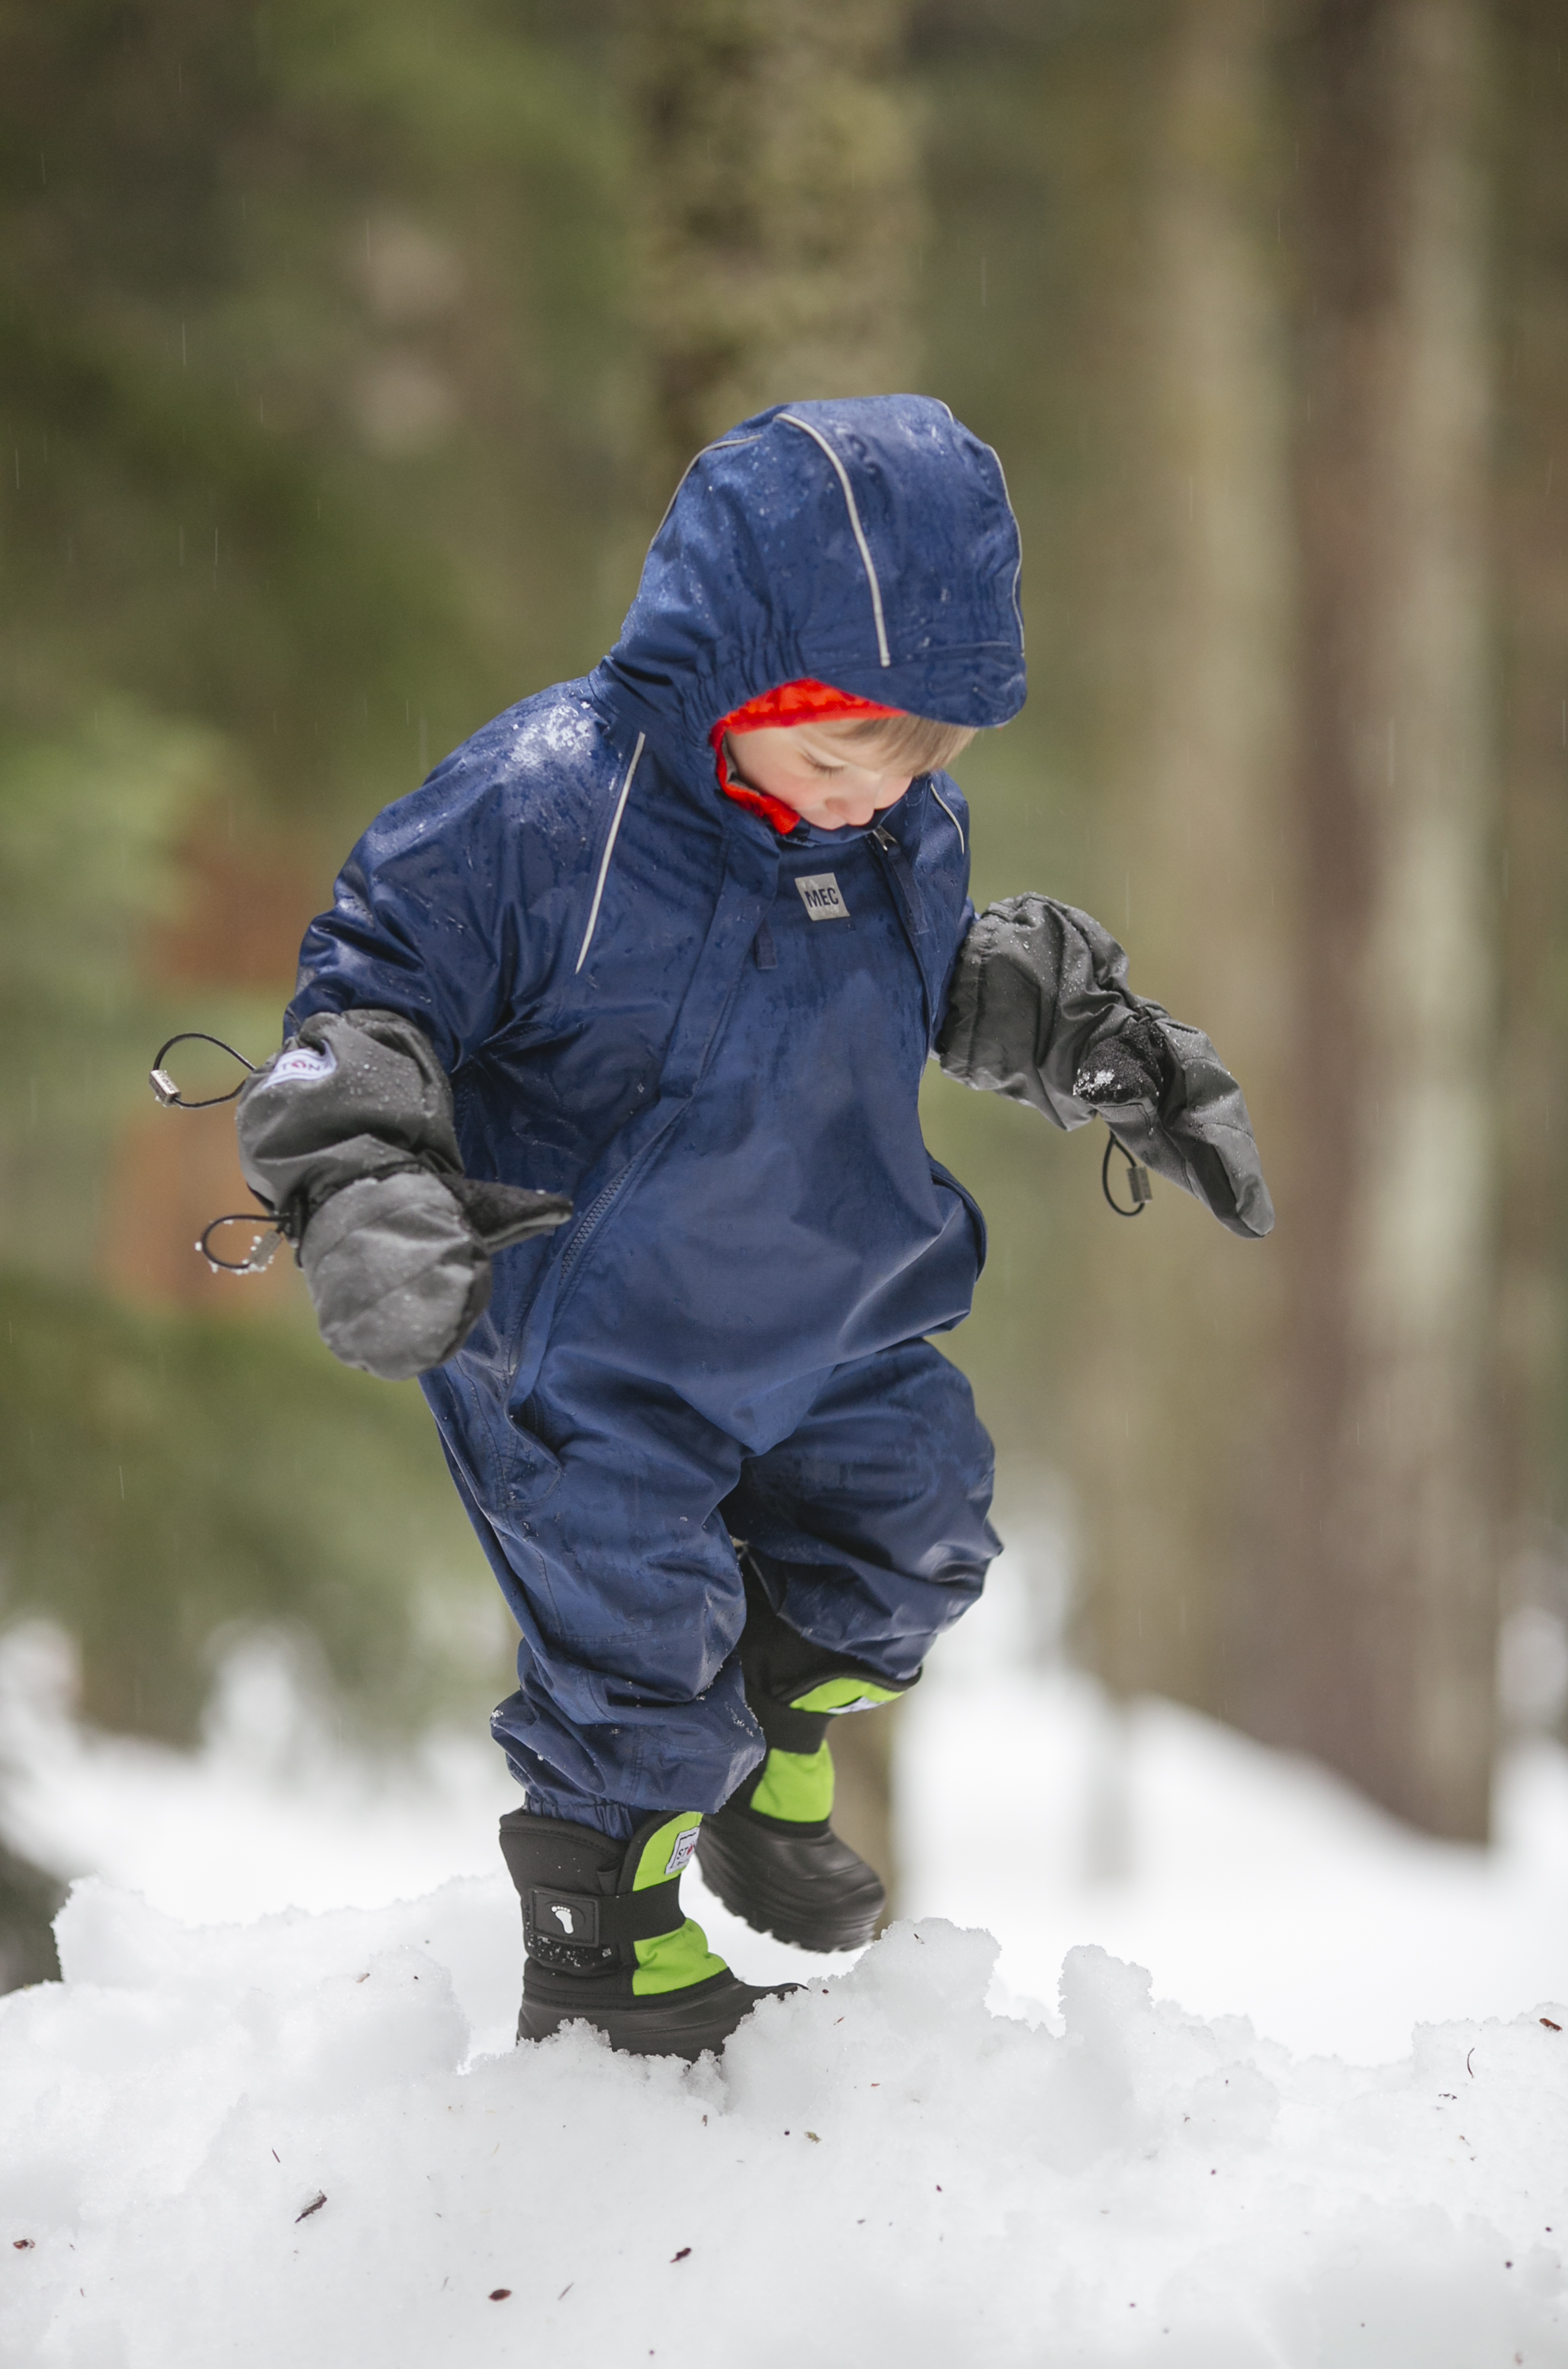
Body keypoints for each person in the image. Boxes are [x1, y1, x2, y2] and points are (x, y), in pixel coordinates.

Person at [236, 396, 1271, 2060]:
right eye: (842, 754)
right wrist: (360, 1177)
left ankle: (768, 1741)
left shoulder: (899, 824)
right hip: (590, 1339)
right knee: (633, 1651)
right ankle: (609, 1954)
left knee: (916, 1539)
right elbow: (367, 991)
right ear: (732, 669)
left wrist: (1097, 1041)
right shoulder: (542, 806)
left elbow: (932, 980)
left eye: (921, 758)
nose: (881, 799)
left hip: (829, 1298)